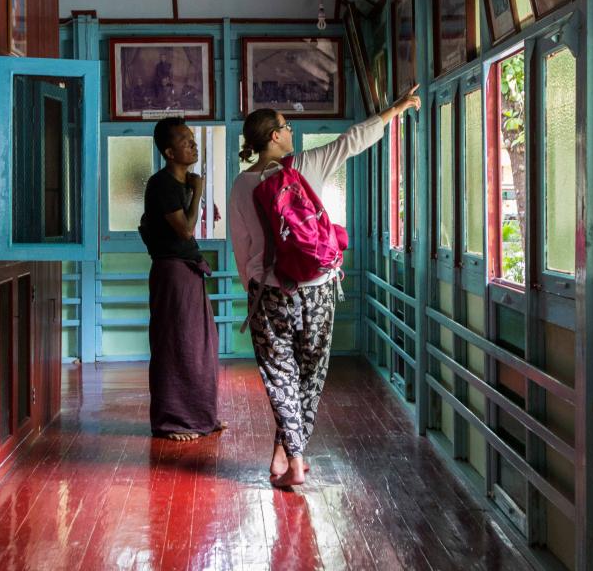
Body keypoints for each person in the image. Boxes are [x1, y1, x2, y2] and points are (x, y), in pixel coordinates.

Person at [228, 85, 421, 487]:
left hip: (269, 293)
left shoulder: (240, 186)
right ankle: (293, 457)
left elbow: (242, 244)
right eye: (286, 126)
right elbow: (352, 141)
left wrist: (257, 287)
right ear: (275, 136)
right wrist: (396, 109)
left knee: (279, 374)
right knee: (310, 373)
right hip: (317, 286)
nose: (290, 131)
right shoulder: (304, 167)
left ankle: (288, 458)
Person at [139, 117, 226, 441]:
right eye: (185, 140)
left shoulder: (180, 184)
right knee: (176, 345)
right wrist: (199, 190)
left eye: (192, 138)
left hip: (187, 269)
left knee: (200, 345)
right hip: (172, 272)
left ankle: (201, 415)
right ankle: (172, 421)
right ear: (169, 152)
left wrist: (193, 190)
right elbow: (186, 229)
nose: (193, 144)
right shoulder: (161, 184)